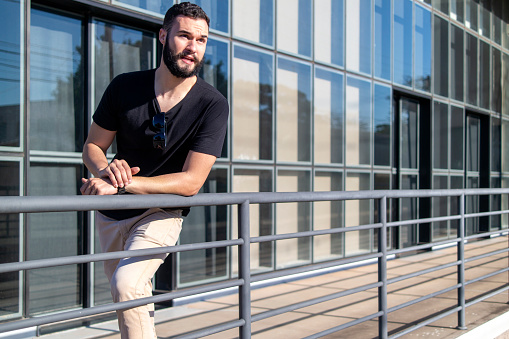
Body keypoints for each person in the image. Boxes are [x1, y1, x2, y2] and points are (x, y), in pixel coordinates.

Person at [80, 2, 228, 338]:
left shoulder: (213, 104)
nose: (193, 47)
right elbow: (93, 146)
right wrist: (105, 173)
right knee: (130, 297)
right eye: (185, 36)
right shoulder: (124, 87)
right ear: (163, 36)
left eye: (201, 40)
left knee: (126, 283)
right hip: (113, 213)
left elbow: (191, 182)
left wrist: (122, 182)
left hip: (163, 210)